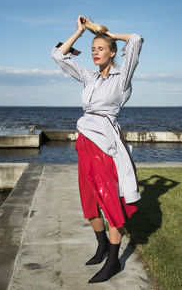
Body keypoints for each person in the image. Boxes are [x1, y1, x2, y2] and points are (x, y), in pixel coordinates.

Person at [51, 15, 144, 283]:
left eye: (101, 48)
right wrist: (80, 32)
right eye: (93, 49)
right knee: (89, 199)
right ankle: (101, 244)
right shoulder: (89, 77)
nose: (95, 53)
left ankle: (113, 261)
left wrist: (110, 34)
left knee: (109, 200)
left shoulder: (121, 77)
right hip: (84, 141)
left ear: (112, 52)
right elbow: (58, 55)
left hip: (105, 143)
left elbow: (136, 39)